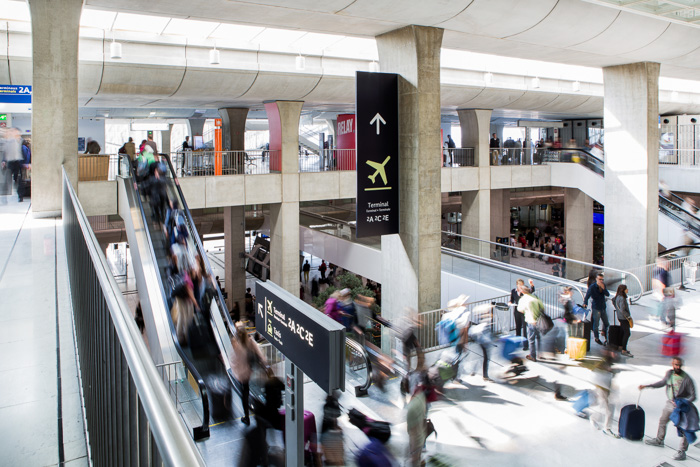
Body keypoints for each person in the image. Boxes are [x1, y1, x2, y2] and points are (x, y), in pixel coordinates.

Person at [640, 357, 697, 461]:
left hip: (681, 407)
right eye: (676, 365)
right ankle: (659, 440)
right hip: (670, 404)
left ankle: (682, 451)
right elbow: (662, 383)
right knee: (663, 421)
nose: (678, 367)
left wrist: (682, 402)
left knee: (685, 429)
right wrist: (647, 386)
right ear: (672, 364)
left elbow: (693, 396)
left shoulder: (687, 379)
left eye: (680, 365)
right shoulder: (669, 374)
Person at [230, 321, 267, 425]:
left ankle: (246, 416)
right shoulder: (250, 341)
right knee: (249, 389)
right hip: (249, 371)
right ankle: (260, 413)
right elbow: (259, 353)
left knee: (244, 393)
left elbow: (233, 358)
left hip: (240, 373)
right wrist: (265, 365)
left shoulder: (235, 342)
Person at [583, 273, 610, 346]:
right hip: (596, 307)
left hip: (603, 307)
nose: (601, 281)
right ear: (596, 279)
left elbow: (607, 294)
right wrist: (585, 303)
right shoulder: (592, 287)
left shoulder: (603, 285)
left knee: (606, 323)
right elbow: (587, 296)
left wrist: (603, 288)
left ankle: (607, 338)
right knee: (596, 324)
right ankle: (597, 338)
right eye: (600, 279)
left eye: (602, 279)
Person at [517, 286, 543, 362]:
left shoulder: (523, 299)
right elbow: (542, 307)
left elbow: (520, 309)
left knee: (531, 339)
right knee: (538, 338)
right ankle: (540, 354)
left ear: (523, 292)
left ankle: (533, 356)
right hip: (539, 320)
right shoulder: (535, 297)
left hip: (530, 321)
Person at [510, 278, 535, 350]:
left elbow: (531, 291)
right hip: (517, 311)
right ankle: (517, 343)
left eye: (522, 285)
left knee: (524, 328)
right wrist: (510, 303)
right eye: (519, 285)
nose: (521, 286)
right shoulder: (513, 291)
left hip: (524, 311)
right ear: (517, 285)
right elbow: (512, 299)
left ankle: (525, 345)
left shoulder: (524, 291)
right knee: (518, 327)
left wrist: (531, 285)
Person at [1, 128, 25, 201]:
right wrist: (4, 160)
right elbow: (6, 152)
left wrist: (26, 162)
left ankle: (20, 196)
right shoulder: (8, 141)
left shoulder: (21, 141)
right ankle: (4, 196)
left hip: (19, 162)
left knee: (18, 179)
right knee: (7, 179)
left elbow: (25, 151)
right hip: (10, 162)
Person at [613, 284, 634, 357]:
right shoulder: (622, 298)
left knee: (622, 331)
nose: (627, 290)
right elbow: (622, 309)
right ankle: (624, 350)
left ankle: (620, 346)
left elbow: (613, 300)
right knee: (627, 333)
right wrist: (628, 316)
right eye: (626, 289)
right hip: (624, 318)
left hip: (620, 317)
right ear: (623, 290)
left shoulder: (617, 297)